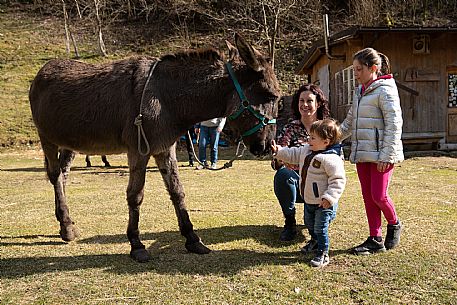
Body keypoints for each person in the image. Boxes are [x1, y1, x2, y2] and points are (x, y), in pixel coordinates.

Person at [340, 47, 404, 255]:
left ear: (373, 68)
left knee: (379, 196)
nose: (355, 74)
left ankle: (394, 224)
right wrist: (329, 137)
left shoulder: (386, 90)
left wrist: (386, 155)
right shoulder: (359, 92)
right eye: (354, 70)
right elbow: (349, 123)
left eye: (359, 69)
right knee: (368, 197)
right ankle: (375, 238)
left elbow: (394, 125)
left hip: (381, 155)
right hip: (362, 154)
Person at [272, 119, 346, 267]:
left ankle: (323, 253)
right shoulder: (306, 150)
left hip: (323, 204)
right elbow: (292, 153)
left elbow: (338, 180)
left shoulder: (331, 159)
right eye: (309, 136)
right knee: (310, 224)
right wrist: (279, 151)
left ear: (326, 141)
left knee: (320, 228)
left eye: (313, 138)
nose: (308, 139)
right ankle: (314, 241)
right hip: (309, 200)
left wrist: (329, 198)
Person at [272, 84, 330, 241]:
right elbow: (279, 155)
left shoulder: (327, 128)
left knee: (318, 224)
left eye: (309, 101)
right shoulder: (290, 127)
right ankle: (290, 222)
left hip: (320, 186)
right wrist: (277, 156)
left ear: (318, 104)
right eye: (301, 100)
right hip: (297, 184)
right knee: (282, 174)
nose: (305, 105)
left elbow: (336, 159)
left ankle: (316, 217)